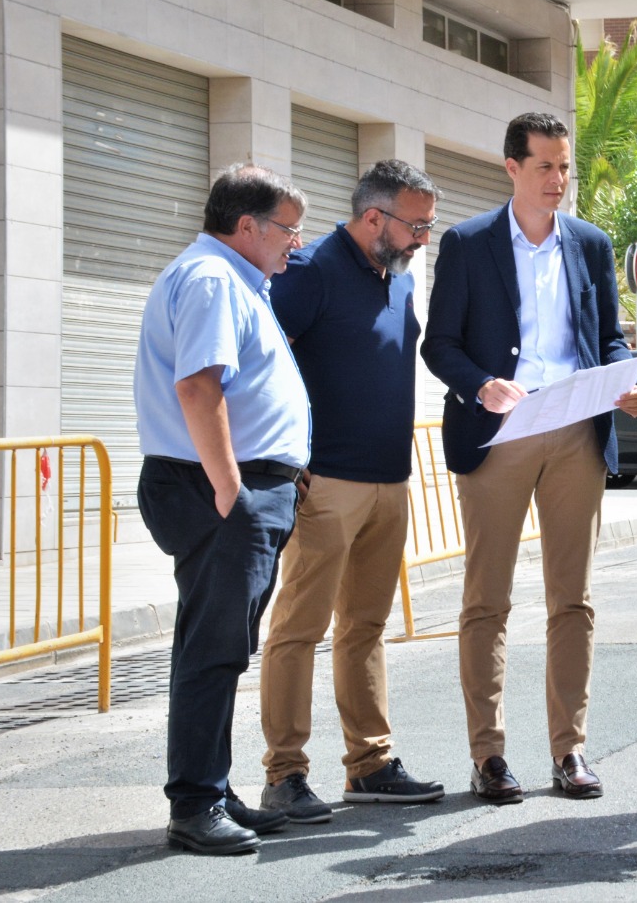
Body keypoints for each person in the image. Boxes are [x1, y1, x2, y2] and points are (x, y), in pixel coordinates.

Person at [421, 112, 637, 805]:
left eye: (565, 167)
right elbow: (439, 345)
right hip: (500, 437)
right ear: (512, 167)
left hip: (577, 431)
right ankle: (488, 756)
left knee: (572, 600)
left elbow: (606, 337)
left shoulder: (590, 245)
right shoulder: (467, 245)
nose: (558, 181)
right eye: (546, 166)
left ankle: (569, 751)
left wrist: (623, 379)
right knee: (487, 599)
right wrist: (480, 385)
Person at [257, 160, 445, 823]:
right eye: (417, 223)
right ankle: (284, 774)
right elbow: (261, 358)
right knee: (299, 629)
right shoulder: (309, 272)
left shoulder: (394, 278)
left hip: (388, 480)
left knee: (364, 627)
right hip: (325, 483)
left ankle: (369, 765)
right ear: (375, 218)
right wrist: (285, 455)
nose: (424, 236)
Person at [134, 165, 310, 855]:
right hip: (215, 490)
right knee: (212, 648)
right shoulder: (211, 279)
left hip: (236, 488)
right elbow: (199, 391)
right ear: (248, 226)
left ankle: (213, 784)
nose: (296, 243)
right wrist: (233, 493)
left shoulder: (237, 278)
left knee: (225, 648)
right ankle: (195, 802)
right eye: (288, 229)